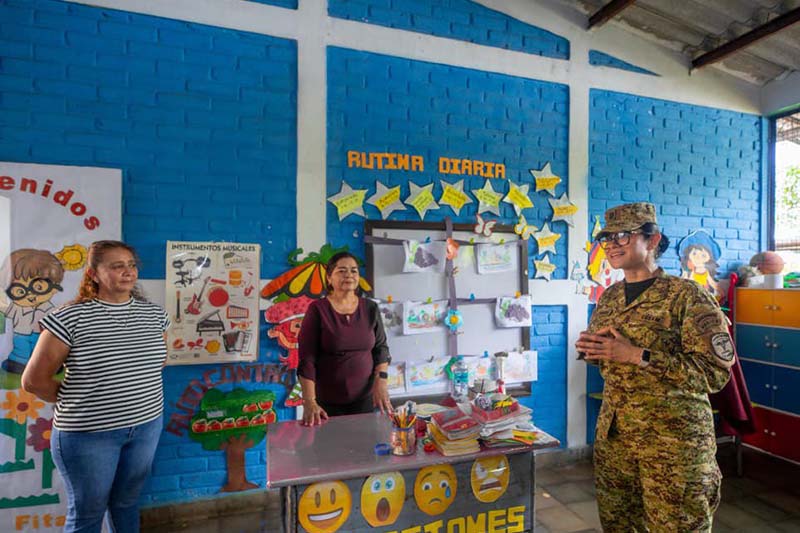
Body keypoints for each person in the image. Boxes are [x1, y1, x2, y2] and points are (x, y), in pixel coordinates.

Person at [575, 203, 734, 532]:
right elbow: (609, 359)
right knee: (619, 526)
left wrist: (637, 355)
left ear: (652, 239)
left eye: (623, 236)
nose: (612, 244)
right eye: (606, 238)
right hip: (616, 440)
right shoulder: (611, 297)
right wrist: (594, 350)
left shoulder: (687, 297)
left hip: (673, 447)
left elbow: (714, 373)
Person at [21, 240, 170, 533]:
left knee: (127, 505)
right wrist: (85, 400)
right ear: (93, 273)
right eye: (117, 266)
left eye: (131, 265)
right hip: (88, 436)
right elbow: (33, 381)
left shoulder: (154, 314)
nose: (127, 272)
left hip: (145, 426)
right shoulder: (69, 317)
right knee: (87, 515)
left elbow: (158, 363)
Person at [297, 251, 392, 426]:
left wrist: (382, 382)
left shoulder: (370, 308)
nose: (349, 275)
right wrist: (309, 401)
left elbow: (381, 348)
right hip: (327, 404)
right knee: (332, 451)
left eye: (354, 271)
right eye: (342, 270)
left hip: (365, 400)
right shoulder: (318, 310)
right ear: (329, 278)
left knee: (365, 450)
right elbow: (307, 358)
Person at [1, 249, 65, 374]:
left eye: (39, 287)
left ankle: (50, 365)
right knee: (21, 350)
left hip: (43, 336)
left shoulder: (49, 308)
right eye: (20, 290)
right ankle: (19, 363)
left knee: (44, 350)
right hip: (20, 335)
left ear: (54, 288)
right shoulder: (17, 307)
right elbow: (5, 308)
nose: (30, 295)